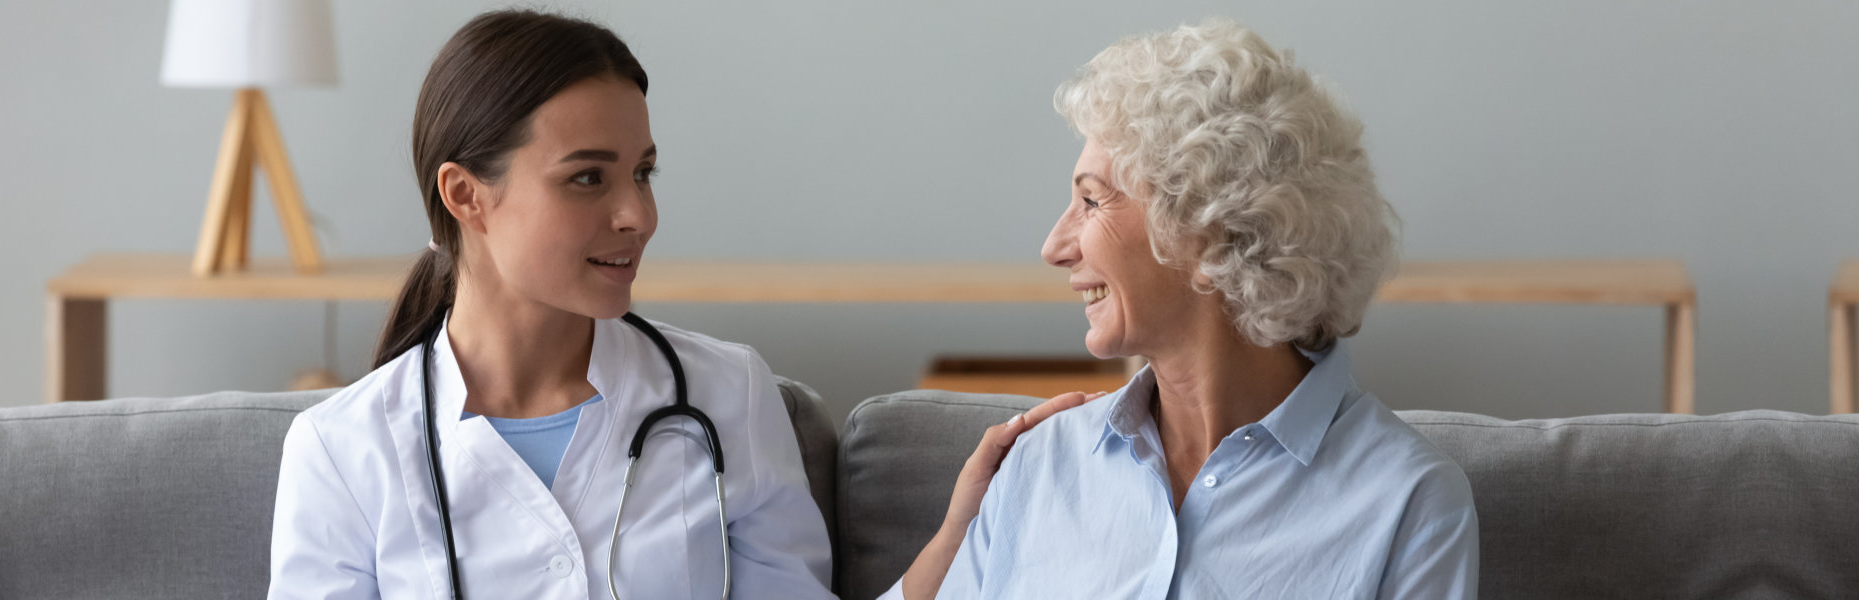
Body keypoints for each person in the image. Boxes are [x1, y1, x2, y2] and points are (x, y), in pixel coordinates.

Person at [894, 19, 1478, 599]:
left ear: (1207, 231)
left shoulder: (1409, 503)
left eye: (1091, 200)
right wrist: (956, 536)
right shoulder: (1038, 465)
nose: (1054, 247)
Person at [267, 10, 833, 598]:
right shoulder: (339, 451)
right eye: (588, 177)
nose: (639, 216)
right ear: (465, 196)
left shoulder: (728, 393)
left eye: (643, 173)